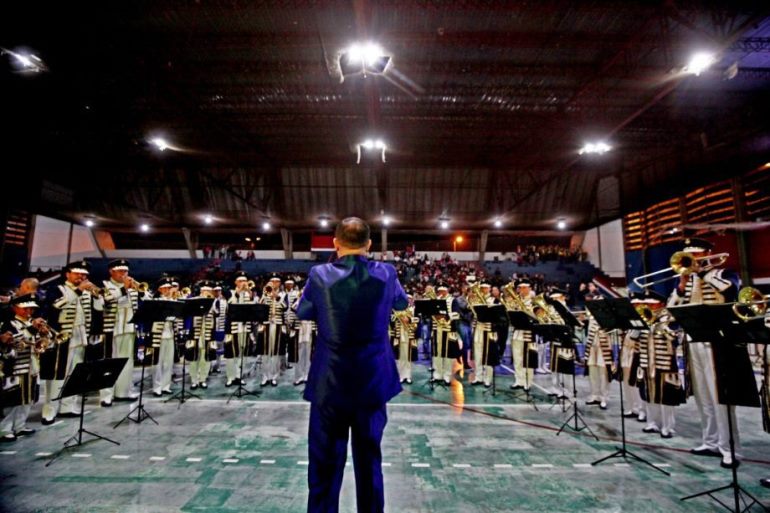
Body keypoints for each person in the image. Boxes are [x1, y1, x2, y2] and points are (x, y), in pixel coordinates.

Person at [296, 217, 408, 513]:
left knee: (323, 465)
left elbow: (303, 311)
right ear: (369, 245)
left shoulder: (319, 274)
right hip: (372, 383)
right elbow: (402, 304)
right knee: (369, 461)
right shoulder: (387, 273)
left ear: (335, 243)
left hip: (329, 383)